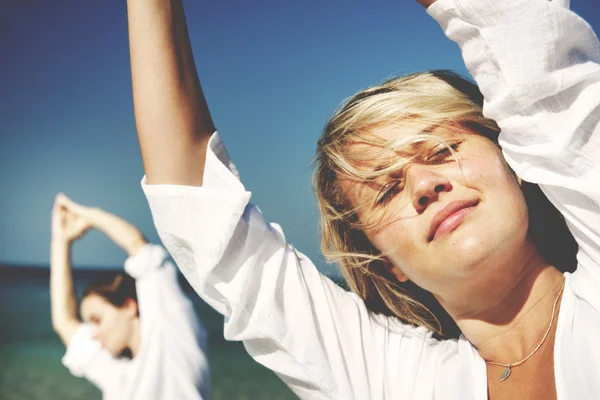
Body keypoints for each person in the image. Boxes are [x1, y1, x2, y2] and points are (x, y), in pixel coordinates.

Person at [127, 0, 600, 398]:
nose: (423, 186)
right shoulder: (393, 377)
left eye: (441, 150)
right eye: (387, 190)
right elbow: (204, 223)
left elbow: (529, 54)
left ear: (512, 161)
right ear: (385, 261)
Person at [50, 194, 210, 399]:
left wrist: (88, 216)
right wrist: (61, 240)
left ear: (128, 306)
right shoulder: (117, 371)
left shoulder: (171, 337)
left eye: (97, 320)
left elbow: (139, 247)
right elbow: (64, 321)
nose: (92, 333)